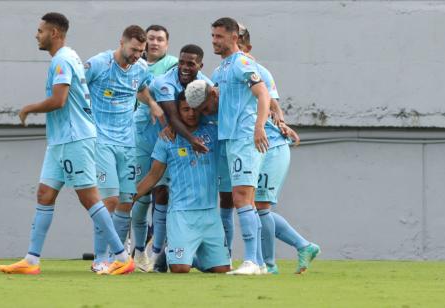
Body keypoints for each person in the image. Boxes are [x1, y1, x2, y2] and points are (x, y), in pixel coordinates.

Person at [0, 12, 134, 276]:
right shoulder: (66, 58)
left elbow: (59, 100)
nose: (37, 35)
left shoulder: (62, 60)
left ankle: (122, 257)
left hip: (75, 138)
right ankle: (31, 260)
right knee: (44, 195)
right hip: (60, 140)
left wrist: (29, 108)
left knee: (90, 198)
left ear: (54, 33)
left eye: (40, 31)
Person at [237, 24, 320, 274]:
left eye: (238, 43)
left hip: (270, 146)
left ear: (246, 48)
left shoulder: (258, 71)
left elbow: (272, 104)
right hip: (253, 146)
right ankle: (303, 246)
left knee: (260, 206)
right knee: (256, 206)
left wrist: (281, 123)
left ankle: (268, 264)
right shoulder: (227, 70)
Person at [84, 25, 165, 272]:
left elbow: (140, 89)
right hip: (101, 141)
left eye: (141, 51)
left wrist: (151, 103)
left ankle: (116, 256)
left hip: (127, 143)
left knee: (126, 201)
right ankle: (100, 258)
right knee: (108, 201)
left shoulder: (140, 68)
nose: (137, 55)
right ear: (121, 42)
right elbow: (75, 89)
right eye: (133, 49)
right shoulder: (98, 64)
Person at [134, 93, 230, 274]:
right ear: (177, 112)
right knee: (180, 269)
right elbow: (153, 176)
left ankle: (184, 255)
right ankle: (173, 254)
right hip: (181, 215)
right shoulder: (167, 138)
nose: (191, 114)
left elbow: (229, 115)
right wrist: (130, 198)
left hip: (210, 213)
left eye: (195, 109)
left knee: (222, 270)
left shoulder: (214, 132)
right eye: (185, 109)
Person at [207, 17, 271, 275]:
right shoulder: (219, 70)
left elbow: (263, 93)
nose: (214, 40)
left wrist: (259, 127)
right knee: (241, 200)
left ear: (234, 37)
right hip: (228, 139)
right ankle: (258, 262)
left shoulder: (243, 63)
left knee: (242, 198)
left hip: (244, 138)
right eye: (212, 36)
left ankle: (252, 261)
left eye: (219, 36)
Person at [132, 25, 178, 271]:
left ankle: (156, 251)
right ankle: (138, 251)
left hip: (164, 133)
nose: (155, 43)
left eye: (160, 39)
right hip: (139, 133)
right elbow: (138, 92)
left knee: (162, 192)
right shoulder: (134, 63)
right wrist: (149, 102)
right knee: (138, 194)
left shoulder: (173, 64)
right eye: (151, 39)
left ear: (167, 44)